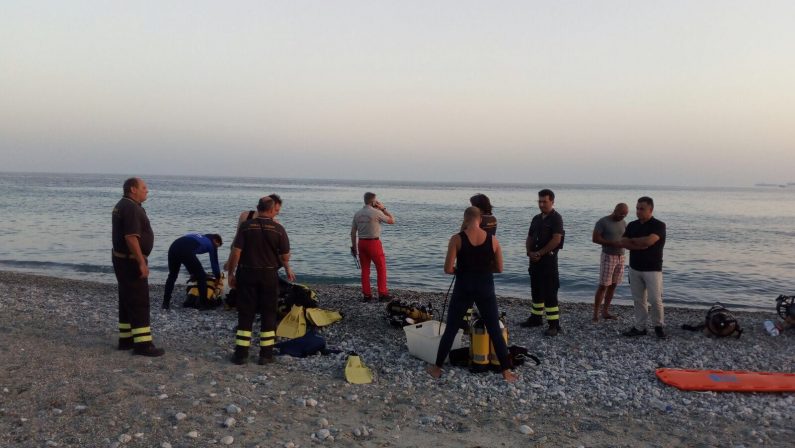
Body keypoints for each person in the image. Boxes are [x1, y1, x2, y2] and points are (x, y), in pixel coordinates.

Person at [428, 207, 518, 383]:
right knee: (494, 329)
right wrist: (482, 269)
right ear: (481, 220)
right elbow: (499, 268)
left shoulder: (457, 238)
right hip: (485, 287)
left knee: (451, 329)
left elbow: (448, 269)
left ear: (465, 219)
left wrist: (462, 271)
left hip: (464, 286)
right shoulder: (493, 240)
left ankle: (437, 368)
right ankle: (506, 371)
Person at [227, 196, 295, 365]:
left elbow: (236, 252)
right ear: (272, 210)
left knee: (246, 313)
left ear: (258, 208)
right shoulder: (279, 229)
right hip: (268, 276)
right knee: (269, 313)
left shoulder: (246, 226)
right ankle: (265, 354)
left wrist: (231, 273)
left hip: (247, 274)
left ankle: (241, 354)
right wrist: (285, 265)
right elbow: (285, 255)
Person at [111, 177, 164, 357]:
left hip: (122, 259)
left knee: (127, 299)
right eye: (144, 187)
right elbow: (131, 237)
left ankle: (126, 339)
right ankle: (143, 345)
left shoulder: (124, 205)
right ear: (133, 189)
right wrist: (141, 261)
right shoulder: (131, 208)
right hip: (130, 260)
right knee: (139, 301)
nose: (147, 190)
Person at [621, 197, 667, 339]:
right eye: (637, 208)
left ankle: (658, 326)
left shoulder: (658, 225)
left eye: (642, 209)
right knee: (638, 299)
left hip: (652, 269)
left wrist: (635, 241)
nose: (638, 211)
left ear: (650, 210)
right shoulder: (632, 225)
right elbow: (623, 242)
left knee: (654, 299)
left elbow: (649, 241)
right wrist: (640, 243)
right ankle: (640, 327)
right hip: (635, 267)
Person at [520, 189, 565, 336]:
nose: (541, 204)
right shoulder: (536, 218)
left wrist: (540, 253)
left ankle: (554, 325)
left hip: (548, 262)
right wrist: (529, 252)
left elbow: (556, 239)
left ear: (552, 201)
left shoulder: (556, 218)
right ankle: (535, 318)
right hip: (534, 262)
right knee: (536, 291)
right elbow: (530, 237)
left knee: (550, 293)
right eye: (539, 201)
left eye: (544, 201)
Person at [351, 192, 395, 302]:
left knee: (365, 270)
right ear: (373, 201)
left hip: (361, 243)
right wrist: (383, 208)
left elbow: (352, 232)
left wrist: (354, 247)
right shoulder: (376, 213)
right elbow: (392, 220)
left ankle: (367, 295)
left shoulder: (357, 214)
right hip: (373, 243)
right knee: (381, 268)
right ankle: (382, 293)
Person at [162, 233, 223, 310]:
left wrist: (192, 273)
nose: (216, 248)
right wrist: (217, 277)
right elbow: (214, 263)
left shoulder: (199, 236)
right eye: (218, 246)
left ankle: (165, 303)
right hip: (185, 249)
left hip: (173, 246)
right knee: (202, 276)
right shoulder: (212, 244)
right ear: (215, 240)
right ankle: (204, 304)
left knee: (172, 275)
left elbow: (188, 254)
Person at [592, 203, 629, 322]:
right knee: (603, 285)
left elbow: (626, 237)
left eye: (625, 215)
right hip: (608, 256)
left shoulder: (624, 222)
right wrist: (612, 243)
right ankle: (596, 314)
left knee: (614, 285)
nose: (622, 216)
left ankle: (605, 311)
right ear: (615, 210)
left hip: (621, 256)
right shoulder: (602, 222)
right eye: (621, 214)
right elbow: (595, 238)